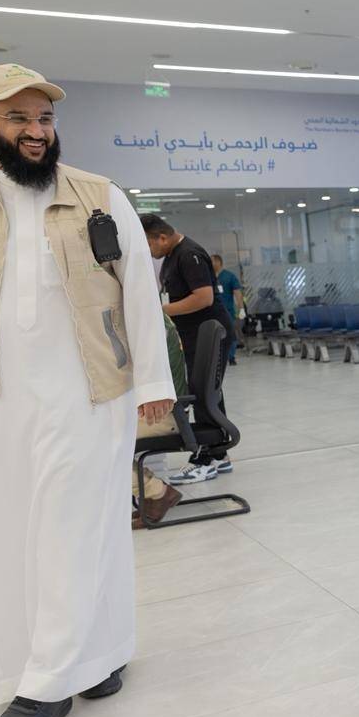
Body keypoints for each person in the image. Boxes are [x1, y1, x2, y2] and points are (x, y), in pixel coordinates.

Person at [0, 63, 174, 717]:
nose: (36, 131)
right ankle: (100, 653)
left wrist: (154, 384)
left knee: (72, 524)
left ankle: (47, 683)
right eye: (19, 119)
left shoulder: (100, 196)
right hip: (3, 396)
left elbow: (140, 294)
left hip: (91, 393)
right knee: (17, 532)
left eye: (44, 118)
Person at [141, 214, 235, 484]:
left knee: (204, 394)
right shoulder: (173, 255)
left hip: (209, 334)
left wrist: (161, 310)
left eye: (149, 245)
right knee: (208, 393)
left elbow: (204, 298)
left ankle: (205, 460)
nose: (149, 251)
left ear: (162, 237)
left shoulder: (188, 254)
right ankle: (219, 454)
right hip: (196, 335)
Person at [132, 314, 189, 528]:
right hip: (168, 411)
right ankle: (152, 492)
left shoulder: (146, 324)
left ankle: (158, 493)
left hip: (164, 415)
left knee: (95, 445)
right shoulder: (155, 317)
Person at [211, 254, 243, 366]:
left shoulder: (229, 276)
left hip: (228, 311)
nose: (210, 264)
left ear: (218, 262)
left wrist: (241, 308)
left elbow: (237, 293)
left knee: (230, 334)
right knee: (216, 336)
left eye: (212, 261)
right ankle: (218, 358)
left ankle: (231, 357)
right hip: (213, 313)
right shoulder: (209, 277)